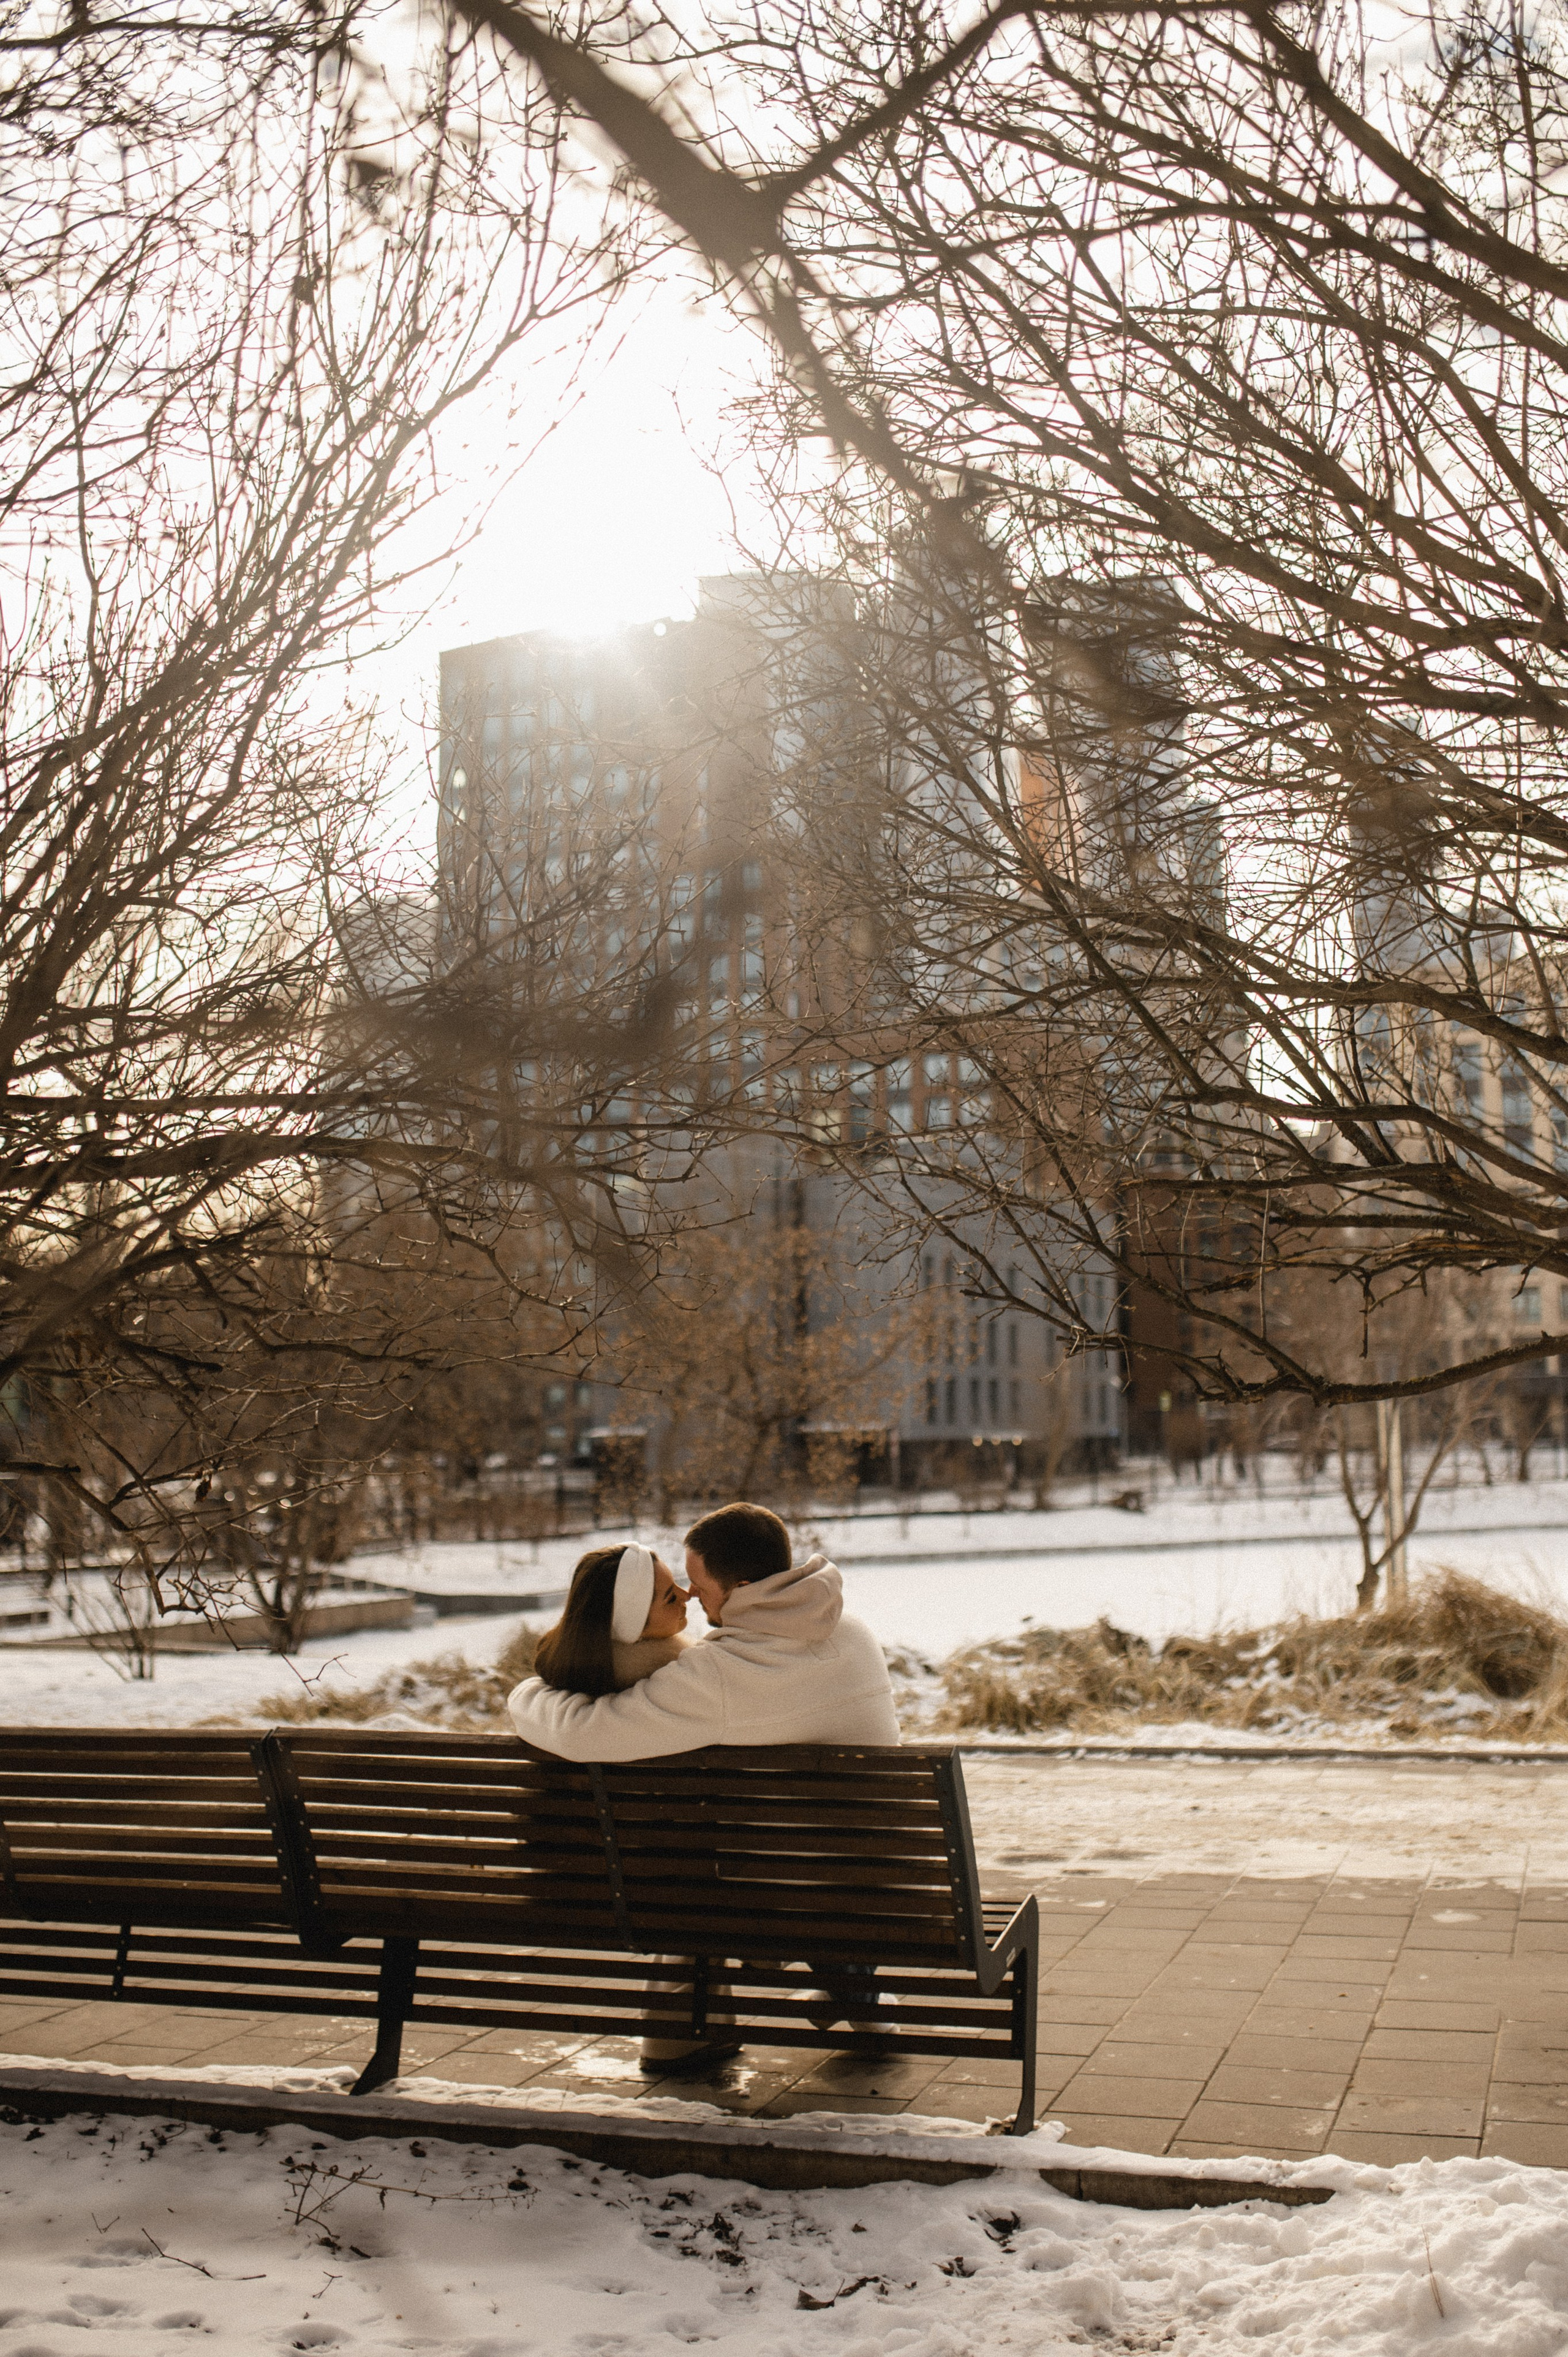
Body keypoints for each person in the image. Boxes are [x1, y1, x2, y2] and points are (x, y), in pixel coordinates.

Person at [507, 1501, 900, 2072]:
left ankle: (686, 2030)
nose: (691, 1597)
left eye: (696, 1584)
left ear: (739, 1587)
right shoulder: (853, 1632)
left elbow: (586, 1731)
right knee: (810, 1844)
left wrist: (527, 1694)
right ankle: (858, 1999)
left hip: (782, 1893)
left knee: (715, 1861)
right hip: (886, 1877)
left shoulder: (718, 1673)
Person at [533, 1542, 691, 1697]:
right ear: (634, 1625)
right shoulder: (673, 1686)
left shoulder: (549, 1693)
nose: (686, 1595)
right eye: (670, 1598)